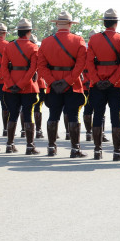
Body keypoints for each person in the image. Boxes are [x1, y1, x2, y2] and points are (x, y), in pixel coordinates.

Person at [37, 11, 88, 158]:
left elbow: (41, 66)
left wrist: (52, 81)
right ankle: (75, 149)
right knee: (73, 116)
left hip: (53, 85)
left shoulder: (46, 42)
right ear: (70, 24)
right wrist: (68, 81)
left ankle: (51, 147)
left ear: (57, 24)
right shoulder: (78, 40)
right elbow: (80, 65)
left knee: (53, 115)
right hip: (72, 84)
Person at [86, 9, 120, 160]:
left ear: (104, 23)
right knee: (116, 117)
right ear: (116, 24)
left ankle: (97, 151)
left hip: (97, 84)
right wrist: (112, 81)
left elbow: (89, 63)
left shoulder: (94, 39)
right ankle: (117, 152)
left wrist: (97, 80)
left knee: (97, 115)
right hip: (116, 84)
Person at [0, 18, 40, 154]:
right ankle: (29, 146)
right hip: (27, 86)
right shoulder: (33, 47)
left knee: (12, 115)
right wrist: (22, 84)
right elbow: (33, 68)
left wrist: (11, 84)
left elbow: (3, 67)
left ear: (18, 32)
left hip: (10, 87)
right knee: (28, 114)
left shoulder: (8, 46)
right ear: (29, 32)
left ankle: (9, 145)